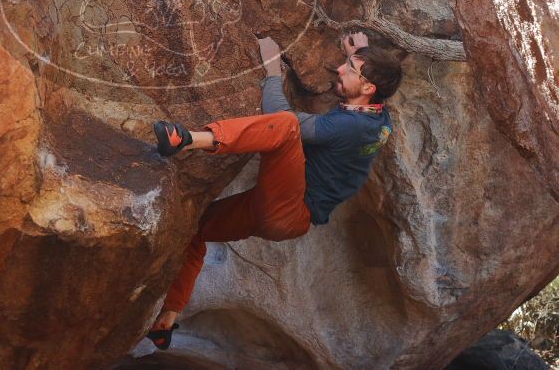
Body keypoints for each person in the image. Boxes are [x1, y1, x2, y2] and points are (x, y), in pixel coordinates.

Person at [145, 32, 402, 350]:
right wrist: (361, 52)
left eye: (349, 67)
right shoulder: (378, 116)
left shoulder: (348, 126)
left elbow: (280, 118)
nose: (339, 68)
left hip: (291, 208)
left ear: (368, 88)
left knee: (286, 127)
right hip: (274, 209)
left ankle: (185, 139)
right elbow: (375, 82)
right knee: (196, 230)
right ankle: (166, 320)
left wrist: (271, 70)